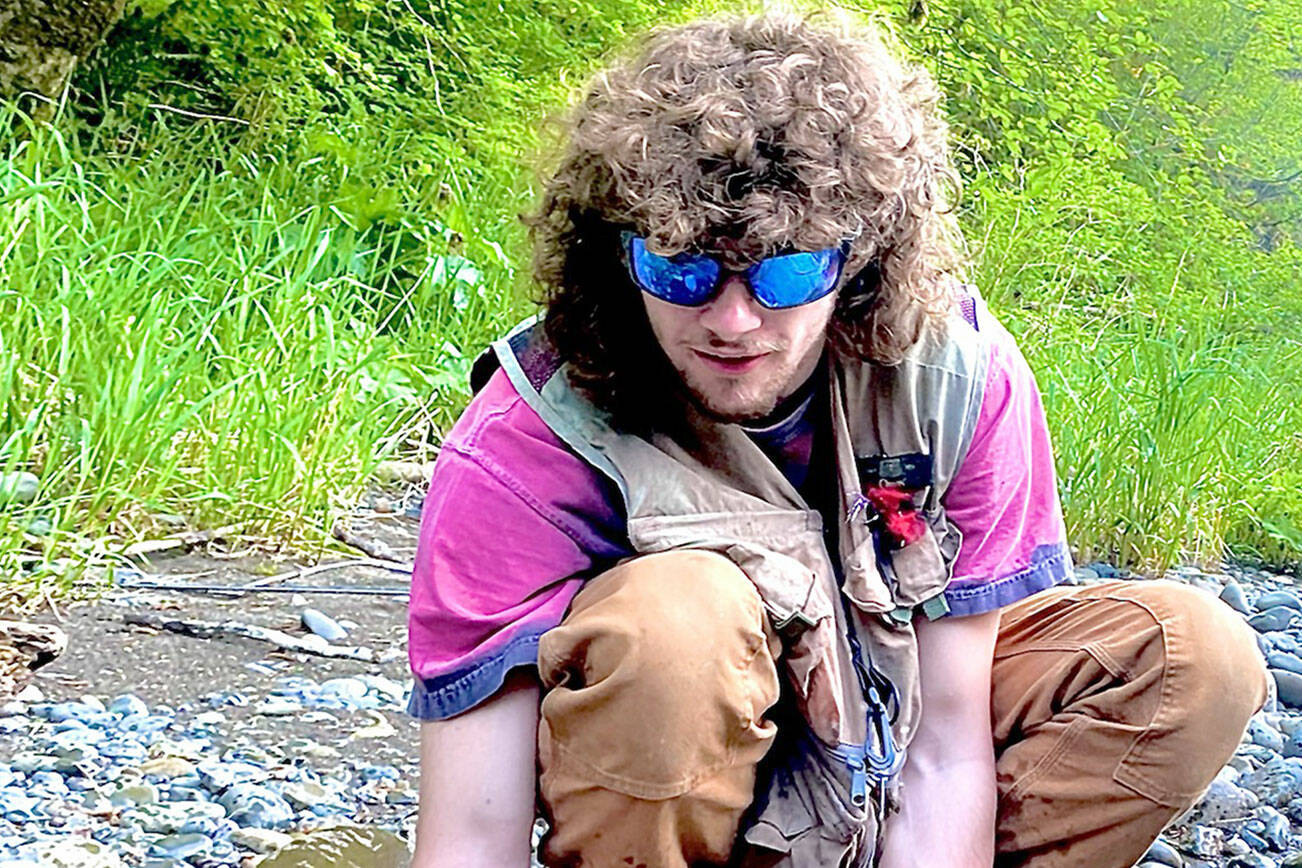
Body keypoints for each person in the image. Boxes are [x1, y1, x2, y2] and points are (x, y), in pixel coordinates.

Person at [406, 11, 1268, 867]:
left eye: (785, 269)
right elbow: (473, 833)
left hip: (890, 762)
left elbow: (947, 748)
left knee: (1193, 659)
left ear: (859, 258)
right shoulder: (529, 438)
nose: (734, 320)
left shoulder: (958, 379)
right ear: (616, 256)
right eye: (682, 268)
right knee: (672, 629)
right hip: (658, 801)